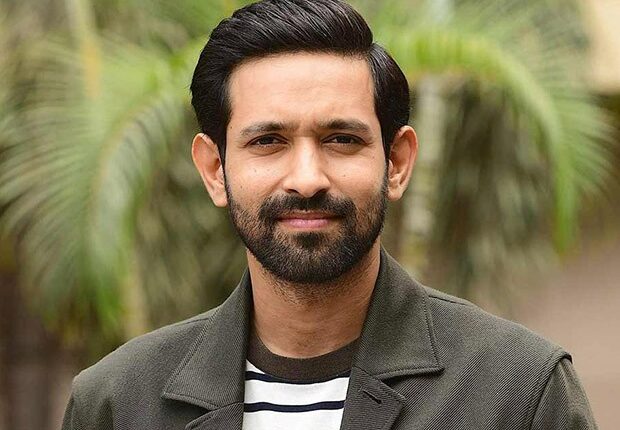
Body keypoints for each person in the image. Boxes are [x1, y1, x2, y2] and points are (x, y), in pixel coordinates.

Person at [61, 1, 598, 429]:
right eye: (268, 141)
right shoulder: (117, 402)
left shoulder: (519, 393)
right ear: (214, 169)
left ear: (396, 162)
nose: (307, 178)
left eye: (341, 139)